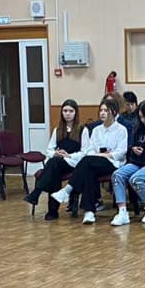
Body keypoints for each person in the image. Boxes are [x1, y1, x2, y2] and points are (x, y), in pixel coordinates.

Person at [51, 96, 127, 224]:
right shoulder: (96, 130)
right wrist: (98, 155)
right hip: (94, 162)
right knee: (88, 172)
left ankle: (68, 190)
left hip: (113, 163)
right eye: (101, 110)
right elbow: (90, 150)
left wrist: (104, 155)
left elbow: (121, 152)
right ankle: (89, 212)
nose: (102, 113)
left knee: (87, 162)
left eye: (106, 110)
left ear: (114, 112)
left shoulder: (121, 129)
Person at [26, 100, 81, 220]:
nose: (67, 114)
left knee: (53, 164)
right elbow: (49, 150)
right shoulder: (58, 129)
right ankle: (52, 211)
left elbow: (85, 152)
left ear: (76, 113)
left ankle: (37, 192)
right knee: (54, 169)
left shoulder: (82, 130)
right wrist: (55, 153)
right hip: (58, 162)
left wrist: (69, 155)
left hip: (74, 163)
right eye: (65, 111)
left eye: (71, 111)